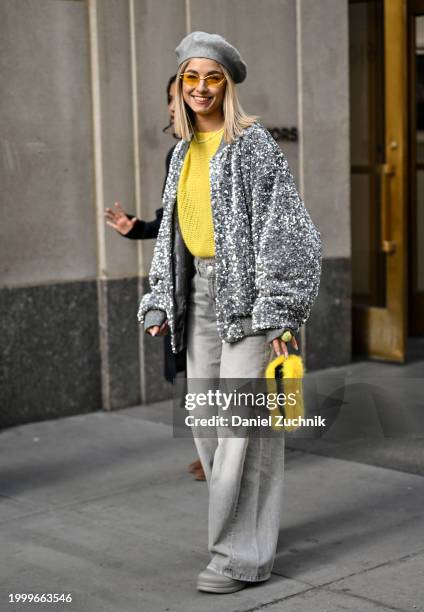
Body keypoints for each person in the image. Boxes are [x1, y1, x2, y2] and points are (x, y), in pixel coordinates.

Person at [138, 32, 322, 594]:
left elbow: (289, 231)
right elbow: (172, 233)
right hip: (200, 300)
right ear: (181, 85)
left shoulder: (254, 145)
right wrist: (160, 296)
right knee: (207, 426)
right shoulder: (183, 153)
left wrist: (280, 311)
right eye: (191, 78)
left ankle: (238, 558)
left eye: (211, 77)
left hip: (253, 304)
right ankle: (249, 533)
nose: (200, 88)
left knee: (245, 433)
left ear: (228, 84)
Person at [104, 75, 206, 481]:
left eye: (176, 98)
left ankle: (231, 454)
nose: (171, 107)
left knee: (222, 374)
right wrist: (138, 227)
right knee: (191, 372)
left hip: (219, 280)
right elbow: (172, 221)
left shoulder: (228, 152)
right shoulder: (177, 155)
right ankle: (211, 449)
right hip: (185, 281)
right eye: (169, 99)